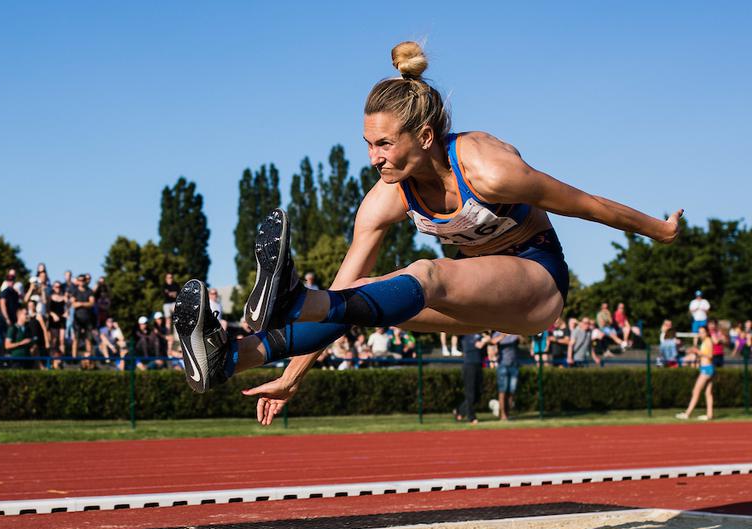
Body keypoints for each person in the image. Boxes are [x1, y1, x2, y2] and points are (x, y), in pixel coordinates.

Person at [172, 41, 680, 419]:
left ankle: (292, 299)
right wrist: (290, 378)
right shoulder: (385, 199)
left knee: (425, 273)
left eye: (385, 144)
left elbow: (585, 205)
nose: (374, 158)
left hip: (537, 285)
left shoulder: (490, 170)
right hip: (475, 297)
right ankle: (228, 358)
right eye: (368, 144)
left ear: (426, 136)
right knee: (368, 294)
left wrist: (658, 230)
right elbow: (345, 291)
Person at [677, 326, 714, 421]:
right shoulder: (704, 342)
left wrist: (698, 352)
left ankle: (688, 413)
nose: (700, 334)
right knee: (708, 393)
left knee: (696, 391)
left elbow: (710, 355)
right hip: (707, 368)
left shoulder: (708, 341)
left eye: (702, 332)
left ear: (707, 333)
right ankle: (709, 415)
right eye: (699, 332)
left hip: (707, 369)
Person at [454, 332, 489, 424]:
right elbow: (478, 345)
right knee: (470, 393)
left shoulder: (480, 335)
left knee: (478, 393)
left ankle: (460, 410)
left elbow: (485, 350)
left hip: (478, 365)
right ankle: (471, 417)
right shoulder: (465, 336)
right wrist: (485, 341)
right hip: (469, 366)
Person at [491, 331, 520, 420]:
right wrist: (503, 335)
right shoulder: (497, 333)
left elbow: (523, 340)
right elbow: (493, 342)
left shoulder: (514, 332)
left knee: (512, 391)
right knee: (502, 391)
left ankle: (507, 413)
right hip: (503, 365)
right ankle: (503, 415)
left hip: (514, 365)